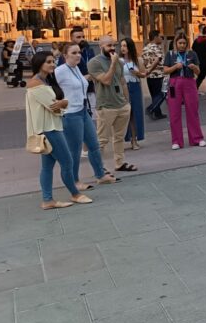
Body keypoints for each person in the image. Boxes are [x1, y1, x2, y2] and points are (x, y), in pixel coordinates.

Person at [26, 51, 93, 209]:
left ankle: (48, 200)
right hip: (49, 128)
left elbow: (58, 104)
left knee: (47, 166)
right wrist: (64, 103)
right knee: (67, 161)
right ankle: (75, 194)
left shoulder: (45, 80)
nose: (52, 64)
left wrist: (63, 102)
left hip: (49, 127)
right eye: (48, 62)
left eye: (53, 61)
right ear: (39, 64)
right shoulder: (36, 83)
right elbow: (54, 107)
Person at [55, 43, 119, 188]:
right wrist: (57, 102)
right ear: (65, 56)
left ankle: (100, 175)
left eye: (79, 52)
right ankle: (74, 181)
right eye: (74, 53)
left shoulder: (76, 68)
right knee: (74, 151)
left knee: (94, 145)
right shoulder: (60, 71)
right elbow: (47, 86)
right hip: (70, 115)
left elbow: (81, 83)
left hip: (83, 111)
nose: (78, 55)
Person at [88, 36, 136, 173]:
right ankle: (99, 168)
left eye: (114, 45)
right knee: (102, 140)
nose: (112, 48)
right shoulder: (94, 62)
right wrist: (113, 63)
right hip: (106, 106)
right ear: (100, 46)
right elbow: (106, 80)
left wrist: (127, 102)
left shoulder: (119, 62)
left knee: (119, 137)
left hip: (122, 105)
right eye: (109, 45)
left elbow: (122, 81)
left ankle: (119, 163)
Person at [163, 34, 206, 149]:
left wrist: (194, 67)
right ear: (176, 43)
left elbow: (198, 72)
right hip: (174, 83)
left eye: (184, 43)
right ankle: (176, 141)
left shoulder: (192, 54)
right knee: (174, 112)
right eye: (180, 43)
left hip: (189, 82)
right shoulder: (170, 54)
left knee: (192, 111)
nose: (182, 45)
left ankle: (197, 138)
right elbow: (165, 70)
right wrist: (175, 67)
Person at [58, 26, 96, 106]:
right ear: (71, 38)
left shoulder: (89, 51)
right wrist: (83, 78)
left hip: (90, 89)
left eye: (83, 37)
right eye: (78, 37)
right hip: (74, 92)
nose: (82, 39)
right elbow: (63, 76)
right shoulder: (67, 55)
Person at [120, 38, 146, 150]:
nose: (123, 48)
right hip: (123, 87)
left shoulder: (137, 60)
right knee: (125, 114)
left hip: (135, 86)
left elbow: (144, 74)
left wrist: (137, 73)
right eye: (121, 46)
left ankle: (134, 139)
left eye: (125, 46)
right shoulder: (119, 60)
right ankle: (122, 140)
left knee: (135, 114)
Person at [142, 30, 166, 120]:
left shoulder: (145, 48)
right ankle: (150, 108)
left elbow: (144, 62)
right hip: (158, 75)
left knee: (154, 95)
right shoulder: (157, 48)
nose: (161, 39)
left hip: (149, 76)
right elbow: (157, 60)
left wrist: (147, 71)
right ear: (155, 37)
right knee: (162, 93)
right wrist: (150, 69)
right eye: (160, 37)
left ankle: (157, 113)